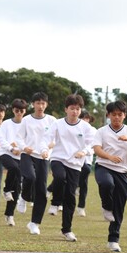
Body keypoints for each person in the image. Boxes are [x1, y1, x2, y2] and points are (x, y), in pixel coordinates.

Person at [92, 100, 127, 253]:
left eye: (119, 115)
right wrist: (109, 157)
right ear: (108, 115)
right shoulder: (101, 131)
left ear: (124, 115)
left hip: (122, 171)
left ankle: (113, 240)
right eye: (113, 115)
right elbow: (96, 149)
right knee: (107, 184)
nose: (116, 117)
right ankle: (106, 206)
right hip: (104, 166)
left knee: (121, 203)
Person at [41, 94, 95, 241]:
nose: (75, 112)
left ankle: (67, 230)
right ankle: (55, 202)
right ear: (66, 109)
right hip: (58, 158)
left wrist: (84, 151)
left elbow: (94, 145)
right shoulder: (57, 124)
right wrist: (44, 150)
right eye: (72, 108)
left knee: (70, 197)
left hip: (76, 164)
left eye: (78, 109)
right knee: (59, 177)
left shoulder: (86, 127)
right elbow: (46, 139)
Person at [16, 92, 56, 235]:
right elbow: (19, 137)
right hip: (28, 154)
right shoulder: (26, 120)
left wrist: (48, 148)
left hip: (43, 157)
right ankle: (24, 197)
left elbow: (56, 139)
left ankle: (34, 223)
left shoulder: (52, 121)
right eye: (38, 103)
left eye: (43, 103)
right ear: (33, 104)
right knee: (30, 177)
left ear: (46, 104)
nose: (40, 106)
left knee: (41, 191)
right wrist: (24, 147)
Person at [0, 98, 27, 226]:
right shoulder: (6, 124)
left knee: (17, 187)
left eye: (21, 111)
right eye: (16, 110)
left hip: (20, 156)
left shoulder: (27, 124)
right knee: (14, 168)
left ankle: (9, 215)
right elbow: (1, 139)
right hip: (5, 153)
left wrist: (20, 149)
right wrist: (11, 148)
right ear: (13, 110)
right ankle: (6, 189)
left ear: (25, 111)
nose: (19, 113)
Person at [76, 111, 97, 217]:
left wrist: (86, 152)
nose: (85, 120)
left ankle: (81, 207)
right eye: (83, 118)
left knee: (84, 181)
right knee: (66, 181)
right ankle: (58, 203)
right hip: (74, 159)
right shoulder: (75, 128)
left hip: (87, 159)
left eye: (87, 118)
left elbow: (94, 146)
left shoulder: (94, 131)